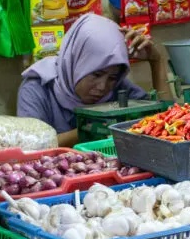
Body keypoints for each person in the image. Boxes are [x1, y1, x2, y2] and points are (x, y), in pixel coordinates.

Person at [18, 14, 171, 147]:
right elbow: (30, 146)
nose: (102, 86)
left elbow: (169, 121)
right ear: (77, 62)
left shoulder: (119, 88)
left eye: (112, 78)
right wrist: (90, 129)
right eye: (96, 74)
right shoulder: (37, 89)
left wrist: (156, 61)